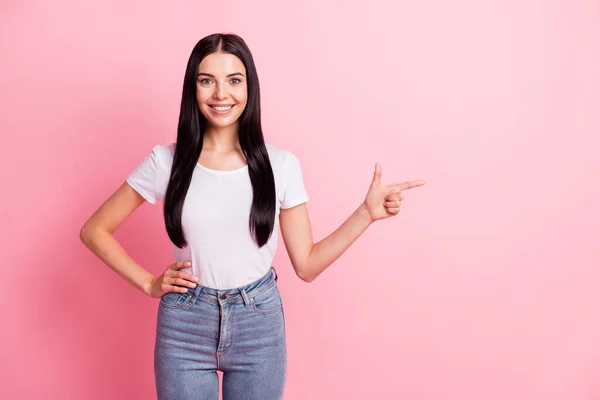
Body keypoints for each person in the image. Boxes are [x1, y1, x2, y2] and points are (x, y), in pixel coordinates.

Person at [80, 32, 425, 400]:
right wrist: (149, 284)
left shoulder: (281, 165)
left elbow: (306, 265)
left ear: (249, 87)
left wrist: (366, 214)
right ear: (192, 89)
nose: (220, 94)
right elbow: (95, 230)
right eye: (206, 80)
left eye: (234, 80)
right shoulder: (166, 161)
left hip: (257, 323)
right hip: (185, 324)